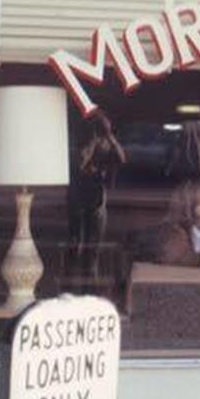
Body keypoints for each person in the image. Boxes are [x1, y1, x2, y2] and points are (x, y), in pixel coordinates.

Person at [69, 109, 126, 278]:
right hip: (78, 195)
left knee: (94, 244)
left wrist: (109, 137)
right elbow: (80, 162)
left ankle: (90, 279)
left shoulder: (105, 143)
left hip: (97, 197)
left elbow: (121, 159)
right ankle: (71, 278)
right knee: (75, 242)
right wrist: (92, 141)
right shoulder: (81, 142)